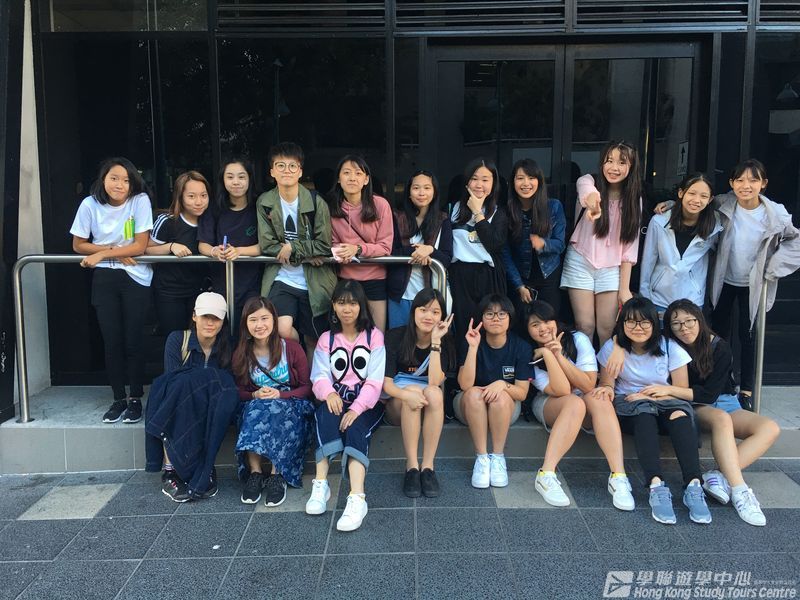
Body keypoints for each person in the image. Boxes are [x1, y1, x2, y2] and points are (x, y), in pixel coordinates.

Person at [591, 297, 711, 525]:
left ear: (654, 324)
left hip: (666, 401)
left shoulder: (669, 347)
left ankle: (694, 485)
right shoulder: (612, 348)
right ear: (622, 324)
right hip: (631, 405)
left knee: (680, 416)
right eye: (631, 322)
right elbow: (607, 384)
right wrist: (606, 387)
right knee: (644, 416)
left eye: (645, 322)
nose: (638, 327)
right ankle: (656, 486)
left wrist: (651, 394)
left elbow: (681, 390)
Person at [659, 300, 779, 526]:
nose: (684, 328)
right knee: (721, 419)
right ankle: (740, 490)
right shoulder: (668, 345)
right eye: (676, 324)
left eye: (689, 321)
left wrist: (670, 389)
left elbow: (709, 393)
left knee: (769, 428)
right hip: (695, 405)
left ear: (699, 320)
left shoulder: (718, 346)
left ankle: (718, 475)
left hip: (724, 400)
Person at [524, 301, 634, 510]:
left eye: (547, 321)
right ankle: (546, 474)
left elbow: (588, 384)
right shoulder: (528, 352)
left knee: (599, 397)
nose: (543, 328)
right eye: (535, 325)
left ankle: (618, 477)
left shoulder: (577, 339)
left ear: (556, 321)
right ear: (527, 330)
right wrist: (547, 354)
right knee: (574, 402)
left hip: (583, 397)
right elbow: (562, 390)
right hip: (549, 403)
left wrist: (558, 355)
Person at [71, 157, 154, 424]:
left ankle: (135, 398)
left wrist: (104, 253)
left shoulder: (139, 201)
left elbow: (140, 246)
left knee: (133, 340)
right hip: (105, 277)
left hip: (136, 276)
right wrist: (112, 251)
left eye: (126, 180)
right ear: (103, 179)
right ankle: (118, 398)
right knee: (112, 340)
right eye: (114, 178)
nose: (119, 185)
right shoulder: (90, 204)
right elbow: (78, 244)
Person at [307, 280, 386, 532]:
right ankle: (321, 484)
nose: (347, 309)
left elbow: (375, 381)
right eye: (341, 303)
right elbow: (319, 375)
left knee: (355, 428)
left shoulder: (374, 336)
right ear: (333, 306)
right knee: (325, 415)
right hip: (338, 398)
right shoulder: (327, 339)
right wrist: (329, 393)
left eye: (352, 303)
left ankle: (357, 498)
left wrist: (356, 408)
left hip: (367, 403)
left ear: (361, 305)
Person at [145, 292, 235, 502]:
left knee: (219, 397)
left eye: (216, 318)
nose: (210, 323)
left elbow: (226, 384)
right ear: (194, 316)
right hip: (180, 401)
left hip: (209, 405)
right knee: (177, 395)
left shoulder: (227, 345)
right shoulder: (178, 339)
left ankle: (205, 466)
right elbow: (173, 380)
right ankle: (170, 471)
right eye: (205, 316)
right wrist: (207, 380)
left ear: (223, 321)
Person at [232, 297, 314, 507]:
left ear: (274, 320)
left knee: (278, 410)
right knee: (254, 411)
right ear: (246, 324)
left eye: (264, 318)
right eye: (253, 320)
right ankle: (256, 473)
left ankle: (278, 474)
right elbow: (238, 391)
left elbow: (306, 387)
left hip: (290, 403)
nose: (259, 325)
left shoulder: (292, 349)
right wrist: (254, 395)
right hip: (257, 403)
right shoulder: (242, 353)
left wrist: (280, 395)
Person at [257, 142, 337, 352]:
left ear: (300, 171)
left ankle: (309, 372)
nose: (287, 171)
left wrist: (293, 247)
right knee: (281, 330)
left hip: (314, 280)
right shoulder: (265, 202)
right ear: (272, 171)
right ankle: (298, 357)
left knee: (314, 340)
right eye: (280, 165)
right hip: (282, 277)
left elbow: (324, 245)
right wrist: (305, 254)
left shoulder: (316, 201)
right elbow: (267, 244)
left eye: (292, 166)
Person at [561, 141, 642, 345]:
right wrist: (594, 204)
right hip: (580, 260)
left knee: (606, 328)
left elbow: (629, 248)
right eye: (609, 161)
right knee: (584, 326)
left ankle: (606, 367)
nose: (614, 168)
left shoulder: (634, 200)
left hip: (612, 267)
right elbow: (587, 193)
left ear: (631, 166)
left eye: (622, 163)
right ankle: (585, 366)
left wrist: (625, 289)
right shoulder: (588, 181)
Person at [383, 289, 455, 497]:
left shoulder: (446, 341)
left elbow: (434, 382)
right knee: (414, 390)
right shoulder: (395, 336)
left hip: (427, 405)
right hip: (398, 403)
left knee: (434, 393)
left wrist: (436, 342)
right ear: (413, 311)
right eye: (423, 310)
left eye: (435, 312)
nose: (428, 316)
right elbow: (387, 385)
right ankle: (412, 466)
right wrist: (408, 395)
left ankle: (428, 467)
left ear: (442, 317)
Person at [454, 294, 531, 489]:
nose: (496, 318)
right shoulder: (470, 341)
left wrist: (502, 385)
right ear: (481, 318)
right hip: (470, 404)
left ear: (510, 318)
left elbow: (522, 393)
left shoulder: (521, 347)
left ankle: (497, 458)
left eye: (502, 314)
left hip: (505, 406)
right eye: (489, 314)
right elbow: (465, 385)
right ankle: (481, 458)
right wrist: (473, 348)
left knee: (501, 397)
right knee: (473, 394)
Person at [329, 155, 394, 331]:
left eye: (358, 173)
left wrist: (357, 249)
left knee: (377, 333)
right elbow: (332, 243)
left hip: (375, 278)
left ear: (366, 180)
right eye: (346, 173)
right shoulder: (332, 207)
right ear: (338, 179)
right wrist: (339, 251)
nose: (352, 178)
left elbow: (385, 247)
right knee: (347, 334)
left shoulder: (380, 205)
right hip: (345, 279)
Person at [639, 173, 721, 312]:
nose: (696, 200)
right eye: (692, 193)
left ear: (710, 199)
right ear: (681, 193)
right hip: (659, 299)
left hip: (693, 300)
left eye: (703, 196)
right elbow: (648, 261)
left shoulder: (714, 226)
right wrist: (645, 297)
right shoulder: (659, 222)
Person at [198, 158, 263, 329]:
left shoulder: (260, 206)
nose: (236, 182)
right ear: (223, 180)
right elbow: (203, 244)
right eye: (230, 177)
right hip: (220, 283)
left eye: (241, 177)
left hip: (252, 283)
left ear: (250, 179)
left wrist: (239, 251)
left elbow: (266, 245)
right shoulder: (214, 207)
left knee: (249, 330)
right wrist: (214, 251)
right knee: (223, 331)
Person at [502, 159, 566, 328]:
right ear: (512, 182)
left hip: (549, 276)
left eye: (531, 178)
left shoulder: (554, 206)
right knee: (523, 326)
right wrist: (519, 285)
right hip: (521, 278)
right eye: (520, 178)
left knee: (549, 325)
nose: (526, 183)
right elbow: (505, 254)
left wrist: (543, 244)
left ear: (539, 181)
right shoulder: (506, 212)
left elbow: (560, 244)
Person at [146, 170, 211, 334]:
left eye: (203, 196)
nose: (199, 202)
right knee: (175, 338)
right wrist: (170, 246)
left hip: (200, 291)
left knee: (198, 339)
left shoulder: (210, 220)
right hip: (170, 292)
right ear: (180, 197)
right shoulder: (168, 221)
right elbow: (146, 249)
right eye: (191, 196)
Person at [449, 158, 509, 336]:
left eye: (485, 179)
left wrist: (477, 212)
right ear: (467, 181)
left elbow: (494, 244)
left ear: (493, 183)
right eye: (474, 178)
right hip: (460, 274)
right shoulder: (453, 208)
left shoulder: (499, 212)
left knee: (490, 326)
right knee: (463, 327)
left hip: (488, 275)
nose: (479, 184)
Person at [387, 170, 453, 329]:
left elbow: (446, 258)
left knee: (429, 339)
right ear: (409, 193)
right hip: (400, 294)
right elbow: (390, 252)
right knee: (399, 337)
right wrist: (416, 252)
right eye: (416, 188)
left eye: (427, 188)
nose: (421, 192)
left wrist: (429, 250)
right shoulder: (396, 217)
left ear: (434, 192)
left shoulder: (443, 219)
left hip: (431, 297)